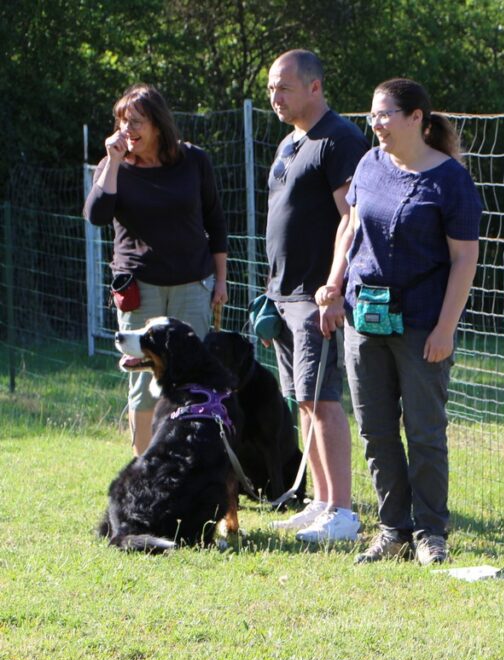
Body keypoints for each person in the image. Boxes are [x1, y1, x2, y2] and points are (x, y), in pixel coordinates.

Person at [316, 78, 482, 565]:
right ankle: (393, 531)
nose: (376, 124)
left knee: (425, 432)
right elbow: (349, 227)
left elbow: (464, 259)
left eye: (385, 114)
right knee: (376, 430)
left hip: (422, 326)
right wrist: (333, 284)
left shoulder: (450, 180)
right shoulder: (369, 164)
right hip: (363, 319)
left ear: (416, 118)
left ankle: (431, 533)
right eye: (372, 115)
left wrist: (445, 328)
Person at [84, 83, 228, 456]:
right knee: (142, 388)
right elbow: (96, 215)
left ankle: (190, 463)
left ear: (158, 125)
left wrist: (221, 280)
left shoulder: (194, 161)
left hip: (192, 286)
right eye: (122, 122)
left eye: (136, 122)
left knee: (192, 380)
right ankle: (145, 469)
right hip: (140, 290)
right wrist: (113, 162)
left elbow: (215, 221)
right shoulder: (114, 166)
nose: (127, 130)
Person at [263, 50, 370, 544]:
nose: (275, 97)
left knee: (323, 398)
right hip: (283, 293)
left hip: (316, 293)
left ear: (315, 87)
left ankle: (343, 513)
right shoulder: (290, 142)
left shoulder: (339, 139)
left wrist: (333, 285)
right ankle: (322, 502)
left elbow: (352, 218)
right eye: (271, 88)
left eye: (284, 87)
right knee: (302, 398)